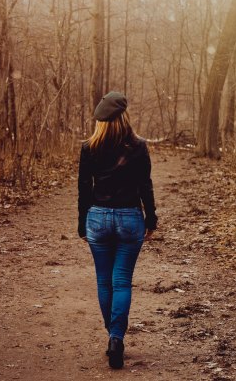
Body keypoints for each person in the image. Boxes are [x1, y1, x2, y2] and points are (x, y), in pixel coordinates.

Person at [77, 91, 158, 369]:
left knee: (104, 281)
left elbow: (83, 188)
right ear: (124, 117)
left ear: (101, 120)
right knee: (121, 280)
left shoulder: (89, 147)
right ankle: (116, 337)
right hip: (129, 218)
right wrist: (151, 219)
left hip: (97, 219)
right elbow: (145, 185)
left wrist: (81, 222)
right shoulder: (138, 146)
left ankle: (111, 335)